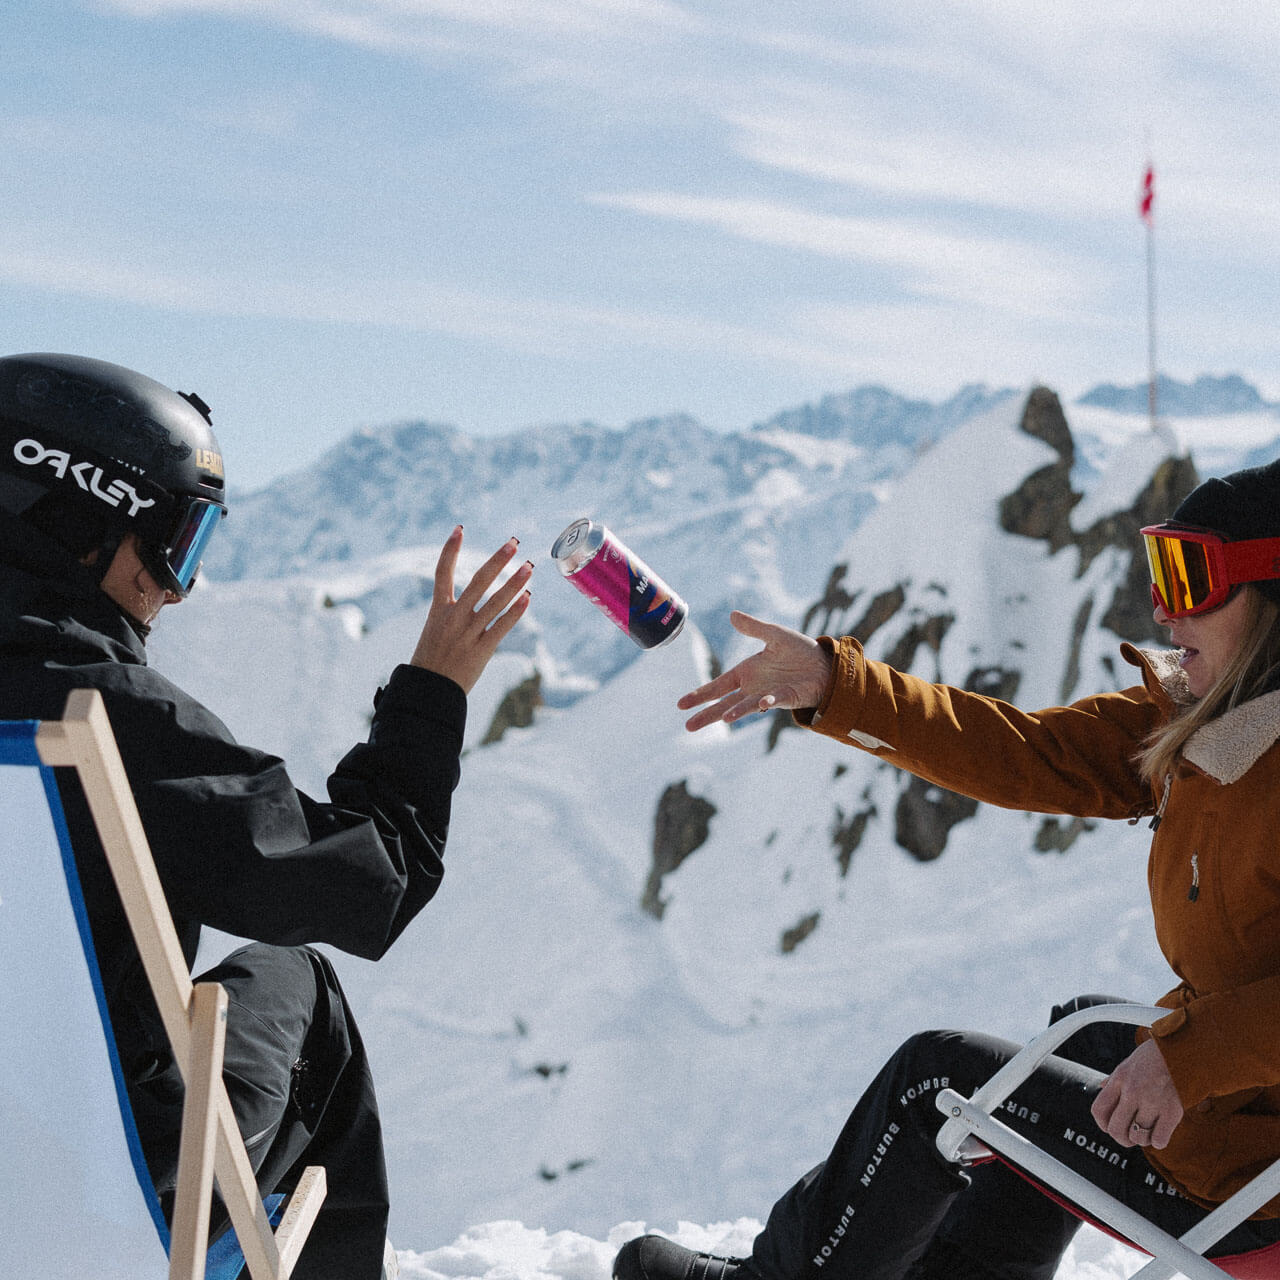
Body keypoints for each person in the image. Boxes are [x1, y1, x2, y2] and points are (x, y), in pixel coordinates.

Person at [614, 456, 1280, 1280]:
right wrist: (835, 684)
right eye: (1159, 566)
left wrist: (1193, 1056)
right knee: (1090, 1034)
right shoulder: (1215, 727)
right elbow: (1027, 753)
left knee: (937, 1078)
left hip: (1254, 1187)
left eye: (1191, 575)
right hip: (1243, 1127)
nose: (1161, 606)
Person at [0, 352, 533, 1280]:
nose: (176, 587)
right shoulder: (110, 719)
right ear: (78, 518)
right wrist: (432, 694)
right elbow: (375, 879)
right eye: (177, 539)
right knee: (297, 984)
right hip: (86, 1198)